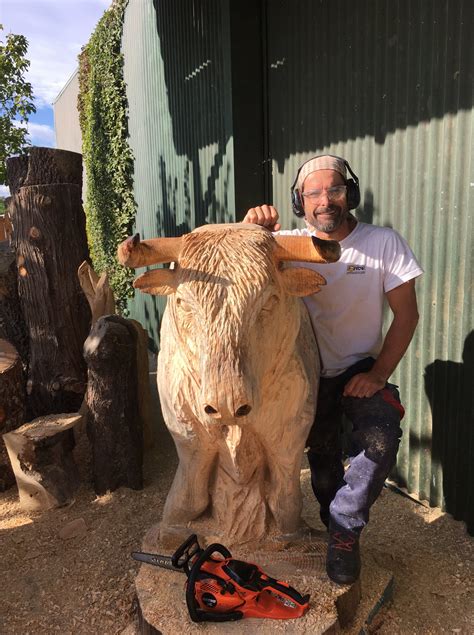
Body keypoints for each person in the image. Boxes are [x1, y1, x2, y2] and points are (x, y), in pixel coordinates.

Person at [242, 155, 423, 585]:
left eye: (335, 189)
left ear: (350, 194)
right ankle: (331, 519)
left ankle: (344, 528)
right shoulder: (283, 244)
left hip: (359, 366)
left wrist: (378, 374)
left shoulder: (384, 244)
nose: (326, 200)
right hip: (301, 375)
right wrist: (251, 227)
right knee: (323, 469)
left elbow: (407, 316)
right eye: (314, 193)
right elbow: (237, 261)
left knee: (380, 436)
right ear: (300, 202)